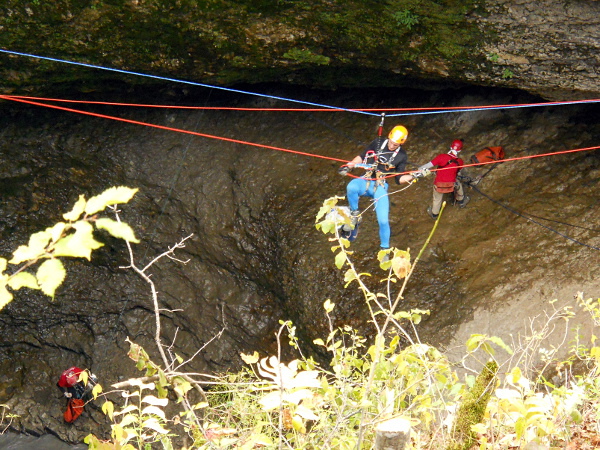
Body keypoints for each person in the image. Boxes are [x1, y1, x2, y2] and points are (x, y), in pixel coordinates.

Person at [338, 125, 415, 254]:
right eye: (391, 142)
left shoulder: (402, 156)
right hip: (366, 179)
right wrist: (349, 166)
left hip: (380, 186)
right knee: (351, 187)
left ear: (401, 144)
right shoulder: (378, 143)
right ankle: (354, 215)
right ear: (389, 137)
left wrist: (414, 175)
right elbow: (362, 156)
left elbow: (399, 179)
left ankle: (385, 249)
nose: (392, 146)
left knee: (383, 220)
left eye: (395, 145)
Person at [417, 139, 469, 219]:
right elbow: (457, 173)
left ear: (450, 147)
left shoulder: (441, 157)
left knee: (437, 199)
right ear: (460, 150)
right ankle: (461, 201)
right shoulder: (460, 162)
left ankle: (434, 214)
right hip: (451, 185)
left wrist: (419, 169)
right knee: (458, 183)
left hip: (439, 185)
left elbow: (426, 166)